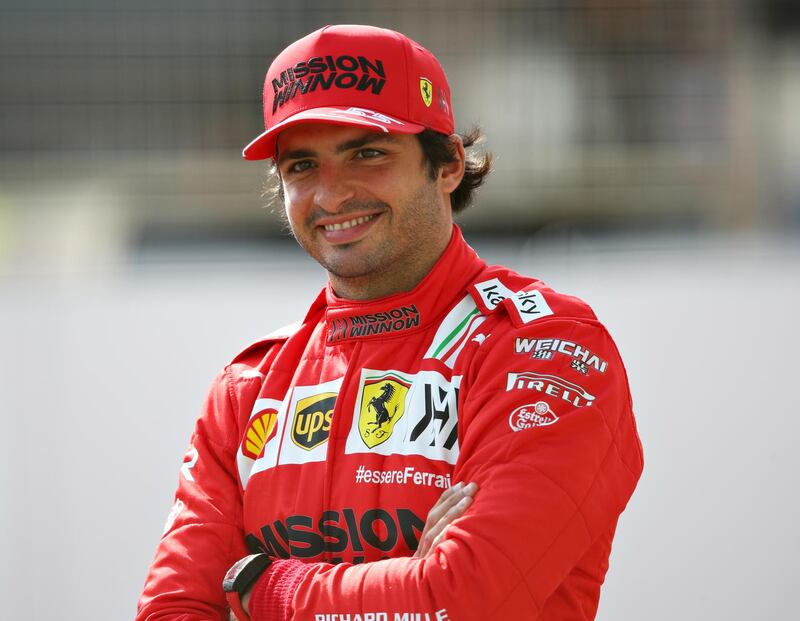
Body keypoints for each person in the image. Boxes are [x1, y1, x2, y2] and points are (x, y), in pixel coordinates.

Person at [135, 24, 643, 621]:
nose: (331, 195)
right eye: (301, 166)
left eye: (367, 153)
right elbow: (172, 611)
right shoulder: (248, 389)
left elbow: (464, 600)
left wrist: (268, 591)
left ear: (449, 163)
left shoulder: (543, 344)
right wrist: (406, 583)